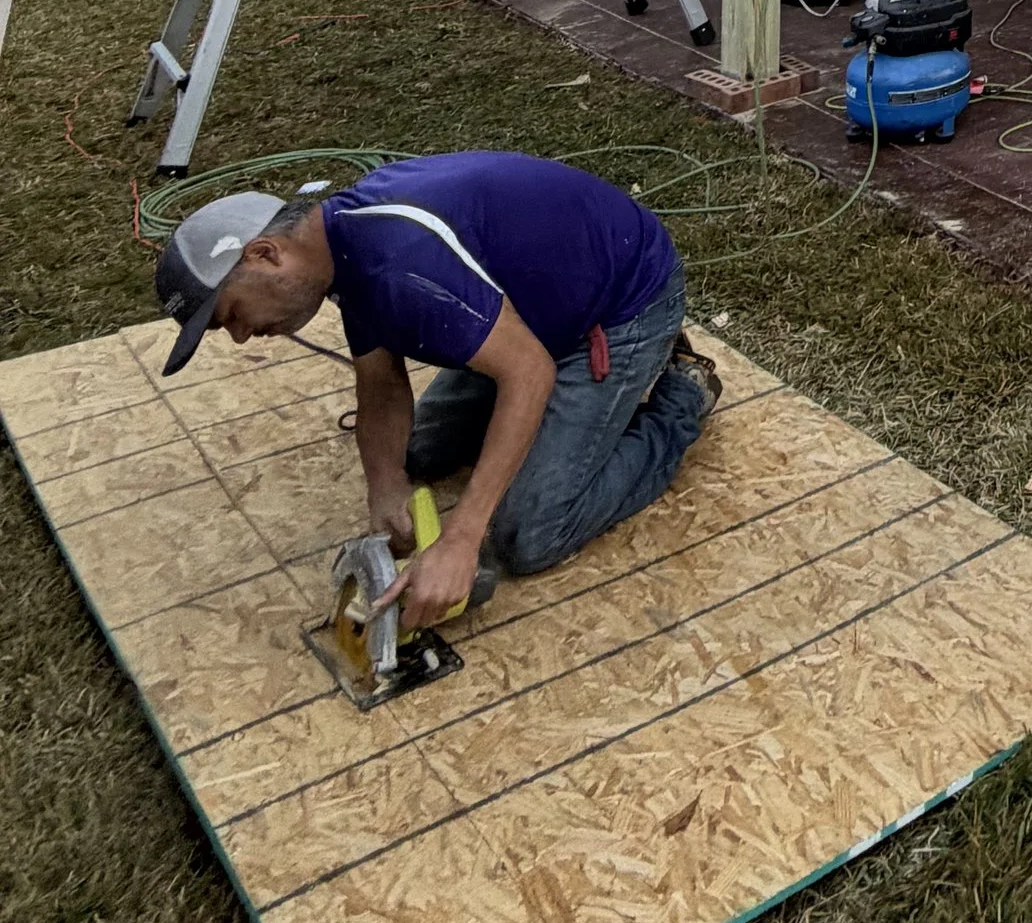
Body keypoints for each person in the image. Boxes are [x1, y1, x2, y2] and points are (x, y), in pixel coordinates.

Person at [155, 149, 720, 628]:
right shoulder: (339, 251)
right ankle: (539, 404)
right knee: (413, 454)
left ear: (265, 254)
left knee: (529, 533)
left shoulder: (397, 264)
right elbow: (379, 383)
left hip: (620, 306)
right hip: (528, 314)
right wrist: (385, 489)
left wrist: (460, 541)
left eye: (230, 314)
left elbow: (530, 374)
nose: (239, 337)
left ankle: (681, 395)